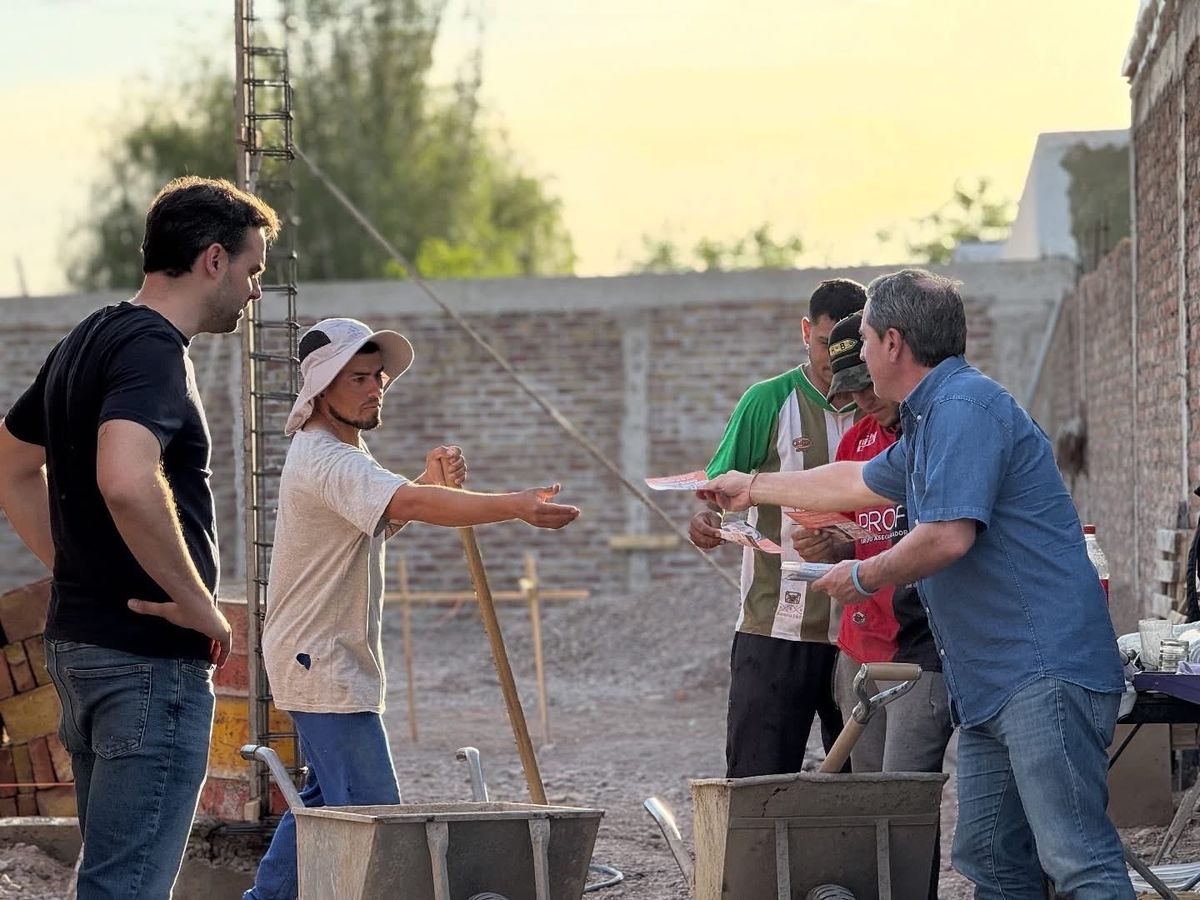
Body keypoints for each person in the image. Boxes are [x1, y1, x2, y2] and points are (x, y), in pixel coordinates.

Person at [700, 269, 1133, 899]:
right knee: (991, 861)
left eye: (867, 339)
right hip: (989, 683)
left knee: (1077, 861)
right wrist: (755, 485)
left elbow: (946, 536)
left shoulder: (962, 410)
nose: (859, 356)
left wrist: (861, 573)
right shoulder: (933, 418)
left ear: (894, 343)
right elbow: (855, 481)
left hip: (1042, 672)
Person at [0, 176, 279, 898]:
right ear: (213, 260)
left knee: (108, 879)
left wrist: (80, 571)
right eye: (252, 271)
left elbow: (10, 466)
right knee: (126, 888)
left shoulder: (85, 338)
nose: (253, 293)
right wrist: (197, 604)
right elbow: (126, 477)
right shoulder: (154, 349)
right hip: (145, 665)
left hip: (84, 649)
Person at [243, 317, 580, 900]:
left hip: (321, 653)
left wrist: (427, 482)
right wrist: (513, 506)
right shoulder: (326, 456)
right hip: (319, 660)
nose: (375, 388)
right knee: (378, 822)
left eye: (379, 377)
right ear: (321, 388)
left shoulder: (344, 451)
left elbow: (387, 514)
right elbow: (411, 504)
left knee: (324, 806)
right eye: (359, 378)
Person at [794, 311, 951, 899]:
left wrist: (861, 561)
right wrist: (838, 544)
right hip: (860, 646)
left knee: (906, 805)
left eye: (866, 383)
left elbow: (940, 540)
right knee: (869, 801)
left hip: (917, 647)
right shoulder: (859, 440)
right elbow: (865, 530)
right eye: (849, 391)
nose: (862, 400)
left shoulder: (929, 434)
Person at [688, 278, 865, 778]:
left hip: (862, 632)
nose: (835, 357)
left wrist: (845, 540)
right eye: (825, 342)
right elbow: (721, 493)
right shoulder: (767, 402)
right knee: (757, 783)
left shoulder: (887, 409)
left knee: (863, 789)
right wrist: (708, 523)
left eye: (851, 345)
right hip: (775, 627)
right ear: (806, 332)